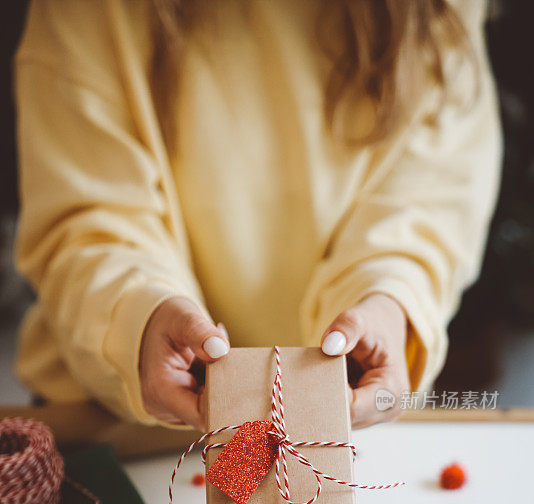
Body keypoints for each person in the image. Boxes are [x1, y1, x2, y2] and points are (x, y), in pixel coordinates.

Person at [14, 0, 501, 430]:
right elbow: (84, 208)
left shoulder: (434, 11)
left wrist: (389, 299)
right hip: (112, 423)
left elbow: (432, 194)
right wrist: (137, 321)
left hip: (347, 414)